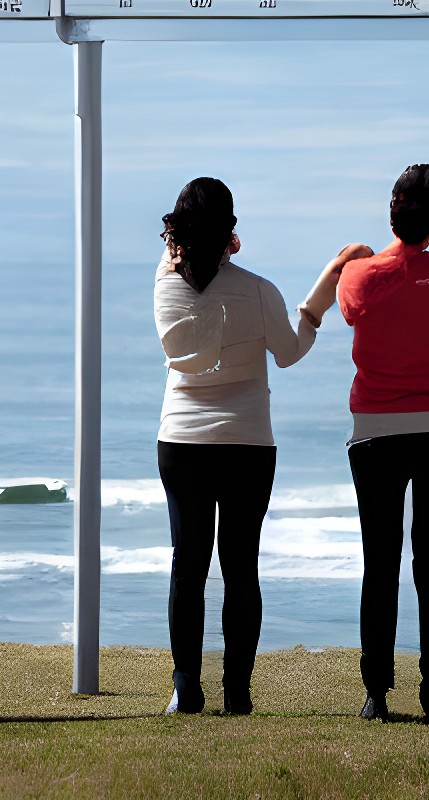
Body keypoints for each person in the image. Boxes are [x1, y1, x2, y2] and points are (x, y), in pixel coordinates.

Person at [155, 177, 367, 717]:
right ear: (230, 231)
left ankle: (186, 688)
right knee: (239, 564)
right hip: (248, 442)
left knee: (189, 562)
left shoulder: (166, 284)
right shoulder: (256, 289)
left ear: (178, 232)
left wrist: (199, 245)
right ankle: (237, 691)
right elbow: (291, 350)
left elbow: (182, 263)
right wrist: (327, 281)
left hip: (183, 439)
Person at [301, 164, 429, 724]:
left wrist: (365, 251)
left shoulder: (359, 275)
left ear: (392, 213)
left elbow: (344, 297)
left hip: (376, 429)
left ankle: (376, 693)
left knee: (380, 564)